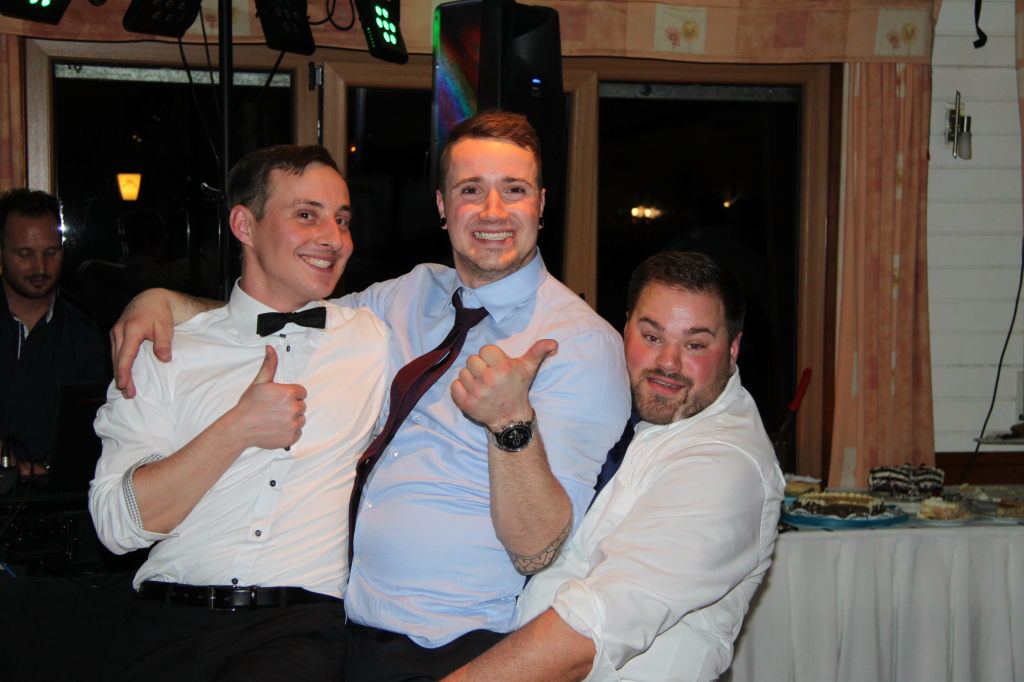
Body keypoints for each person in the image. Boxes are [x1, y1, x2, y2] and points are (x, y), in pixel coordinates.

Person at [109, 110, 631, 678]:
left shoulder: (582, 344)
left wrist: (510, 422)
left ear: (542, 204)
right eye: (470, 190)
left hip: (457, 643)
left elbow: (539, 549)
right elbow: (282, 311)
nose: (493, 211)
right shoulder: (406, 296)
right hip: (343, 634)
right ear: (442, 205)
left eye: (514, 190)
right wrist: (164, 303)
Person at [88, 145, 389, 681]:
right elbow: (115, 526)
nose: (333, 238)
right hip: (164, 621)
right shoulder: (168, 350)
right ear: (244, 225)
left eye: (342, 220)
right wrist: (234, 431)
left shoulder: (374, 336)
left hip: (296, 629)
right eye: (307, 215)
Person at [443, 251, 785, 682]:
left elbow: (590, 630)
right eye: (652, 336)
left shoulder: (727, 468)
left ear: (732, 350)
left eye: (695, 344)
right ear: (626, 328)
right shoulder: (626, 411)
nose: (668, 362)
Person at [0, 189, 109, 476]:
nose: (40, 267)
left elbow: (93, 432)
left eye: (51, 252)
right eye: (25, 254)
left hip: (54, 493)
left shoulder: (84, 335)